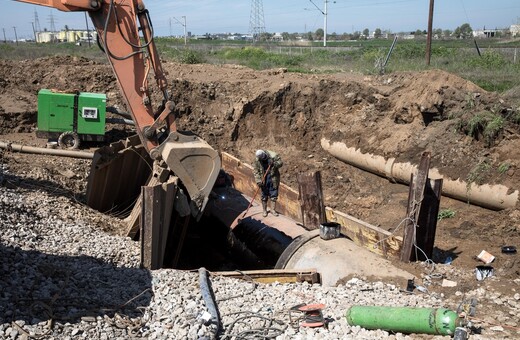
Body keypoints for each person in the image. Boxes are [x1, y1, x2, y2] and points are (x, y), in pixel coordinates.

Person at [253, 149, 283, 217]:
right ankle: (264, 210)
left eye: (264, 157)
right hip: (264, 178)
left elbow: (281, 163)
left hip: (273, 178)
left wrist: (274, 163)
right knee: (264, 195)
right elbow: (256, 171)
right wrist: (258, 181)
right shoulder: (257, 160)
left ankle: (273, 210)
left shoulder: (273, 155)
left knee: (274, 195)